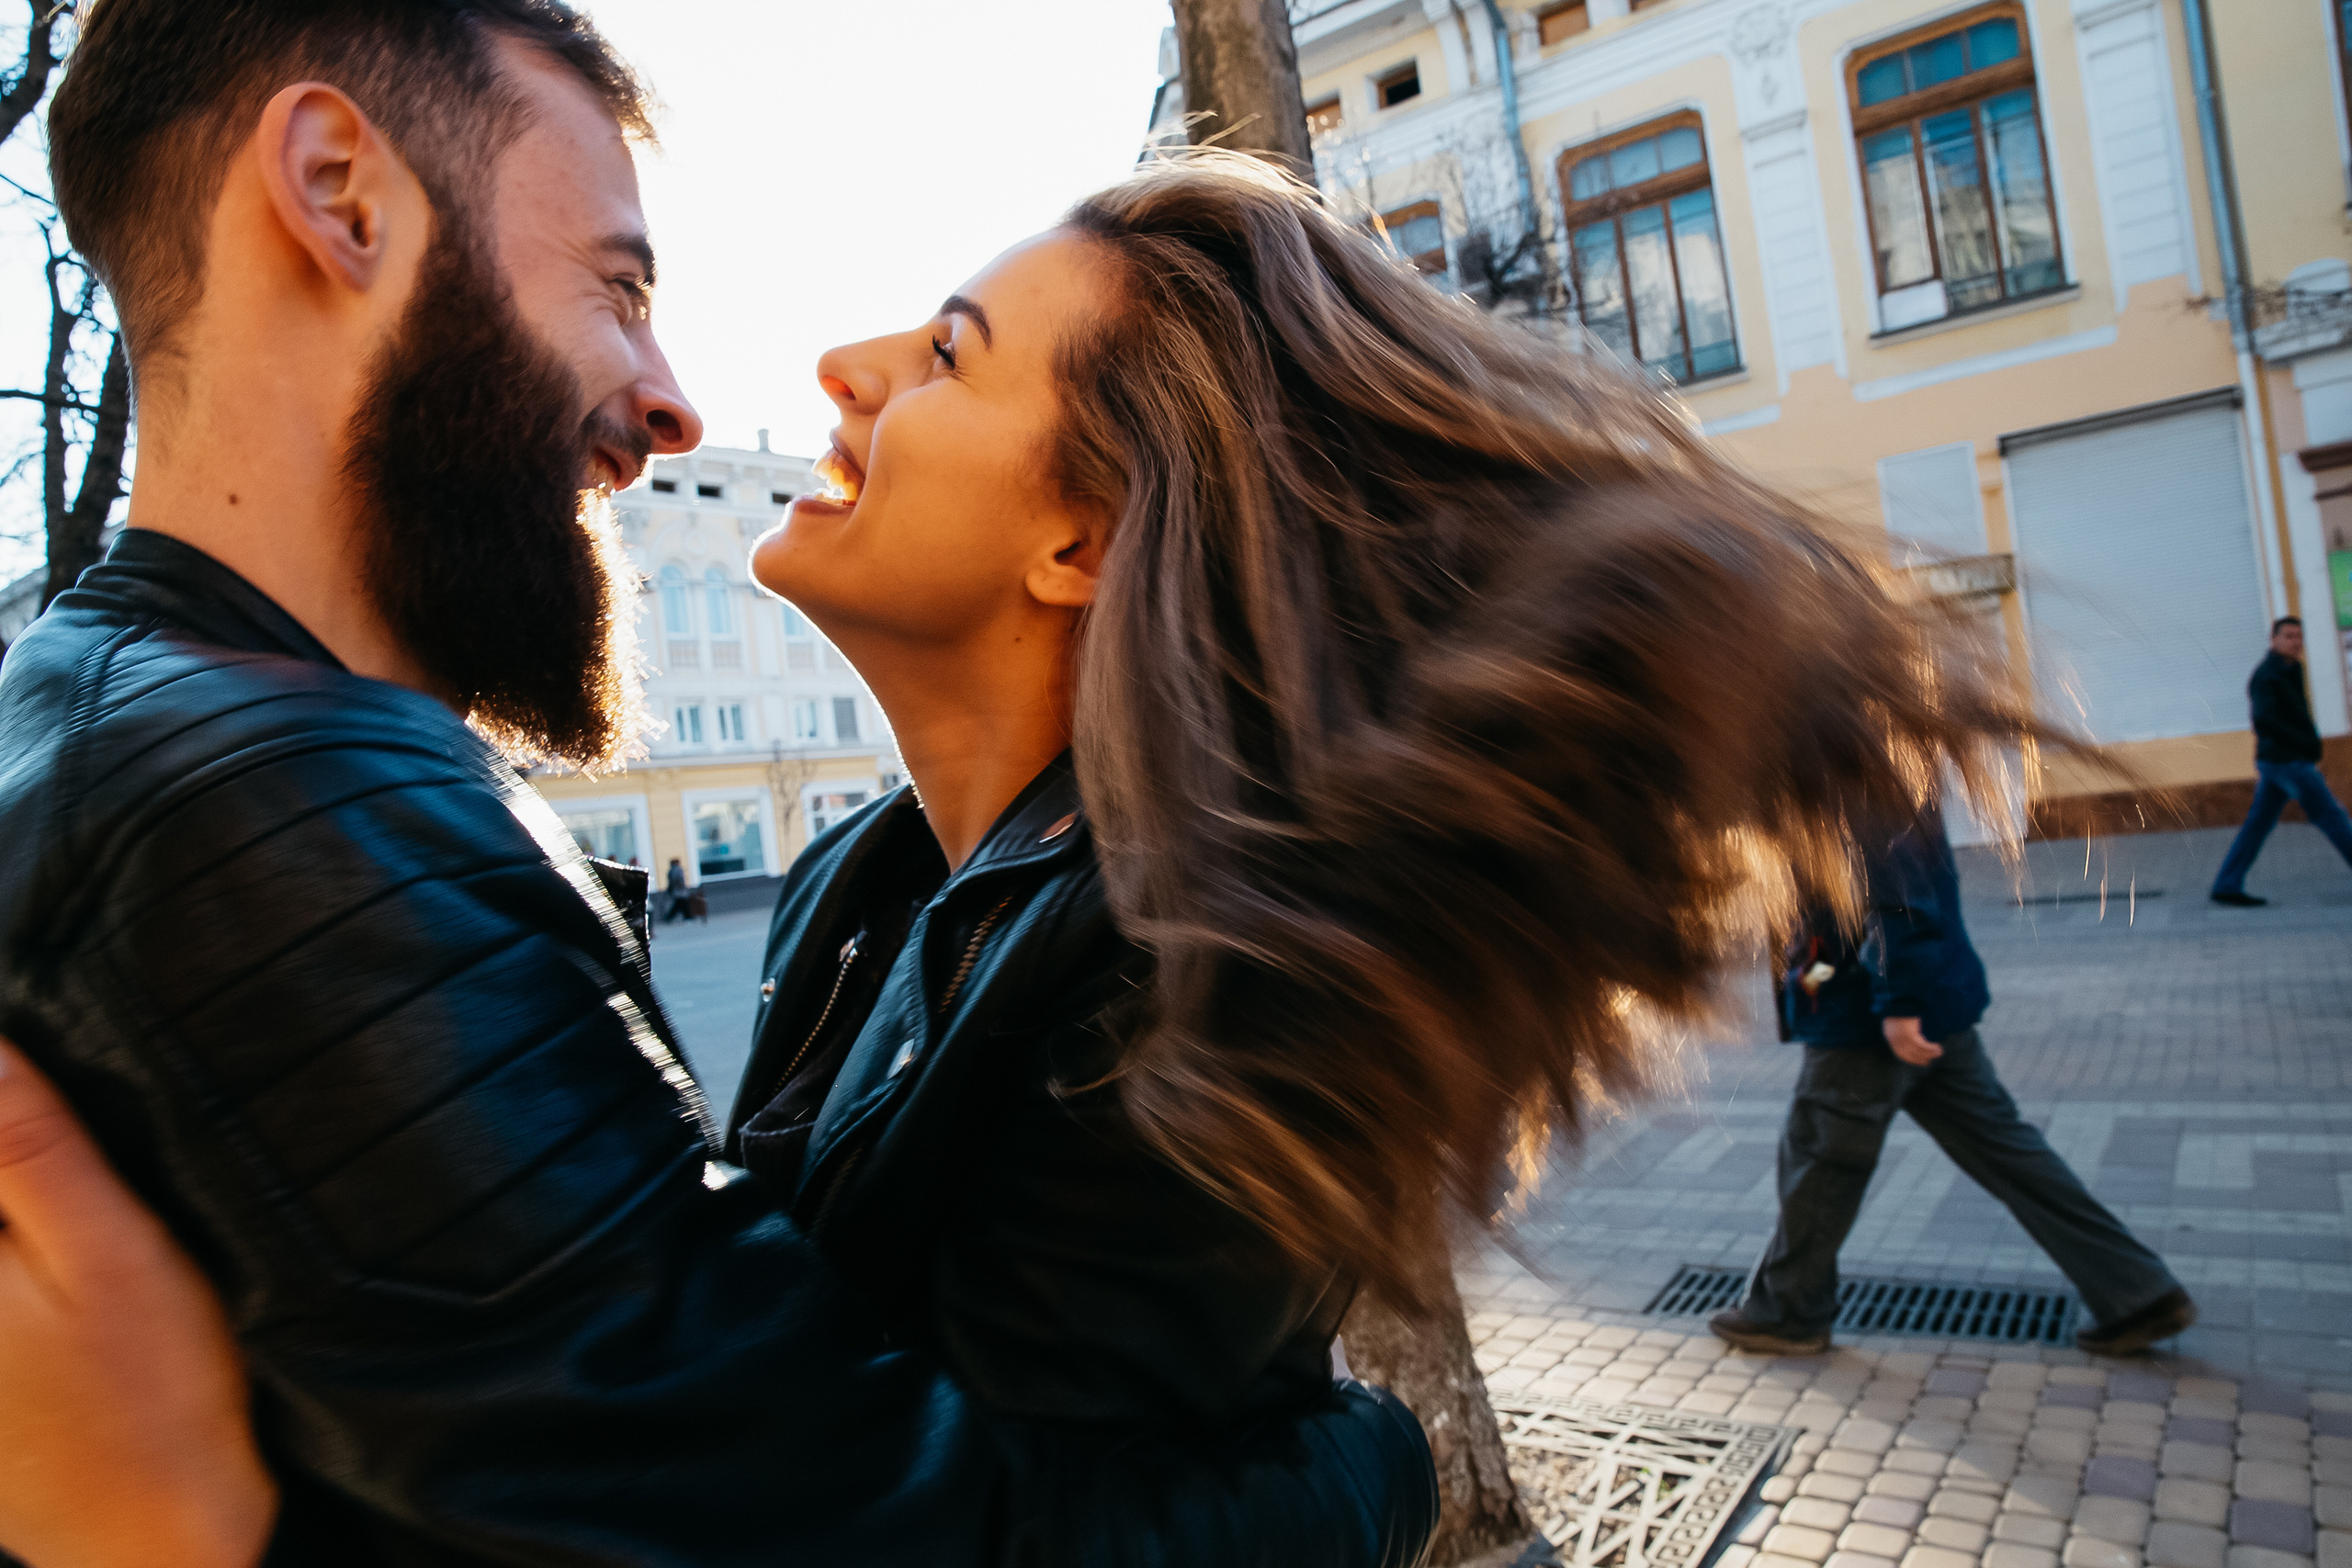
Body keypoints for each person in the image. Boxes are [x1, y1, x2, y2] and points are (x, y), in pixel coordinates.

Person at [0, 5, 1432, 1564]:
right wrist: (1367, 1470)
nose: (674, 401)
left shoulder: (87, 699)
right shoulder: (293, 809)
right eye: (619, 288)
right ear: (342, 193)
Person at [1710, 807, 2196, 1359]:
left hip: (1870, 1019)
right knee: (2007, 1151)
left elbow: (1900, 898)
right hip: (1922, 1005)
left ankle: (1787, 1312)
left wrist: (1899, 1002)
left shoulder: (1856, 772)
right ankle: (2137, 1291)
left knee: (1820, 1162)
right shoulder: (1874, 763)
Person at [2210, 615, 2352, 906]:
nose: (2295, 642)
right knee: (2332, 816)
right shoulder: (2267, 676)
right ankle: (2226, 883)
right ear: (2273, 640)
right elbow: (2264, 719)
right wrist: (2303, 744)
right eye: (2288, 636)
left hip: (2281, 760)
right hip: (2287, 761)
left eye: (2299, 636)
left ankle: (2226, 884)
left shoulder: (2292, 669)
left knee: (2258, 824)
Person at [662, 855, 691, 921]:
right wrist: (682, 887)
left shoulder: (671, 871)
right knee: (681, 904)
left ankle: (687, 917)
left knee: (680, 904)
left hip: (675, 890)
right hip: (679, 890)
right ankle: (687, 917)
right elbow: (679, 880)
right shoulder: (678, 870)